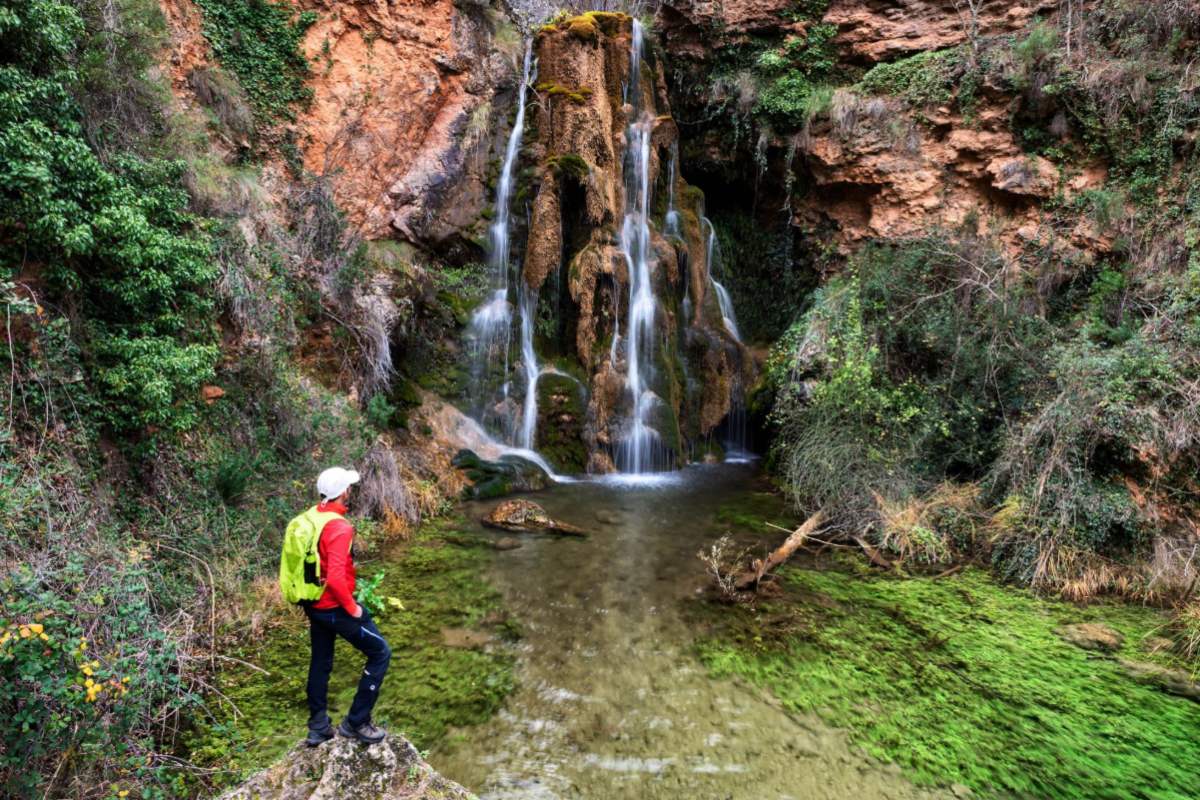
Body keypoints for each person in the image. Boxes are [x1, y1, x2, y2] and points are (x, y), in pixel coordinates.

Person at [302, 466, 391, 746]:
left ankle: (318, 726)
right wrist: (353, 609)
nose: (350, 491)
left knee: (321, 661)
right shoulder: (339, 528)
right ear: (343, 493)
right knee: (380, 653)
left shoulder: (312, 518)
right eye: (348, 487)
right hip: (333, 607)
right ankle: (356, 723)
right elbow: (338, 580)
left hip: (312, 603)